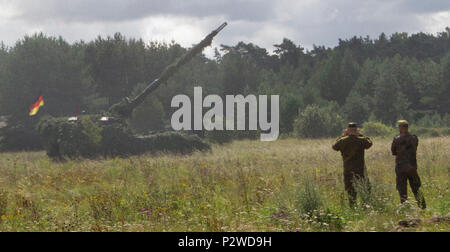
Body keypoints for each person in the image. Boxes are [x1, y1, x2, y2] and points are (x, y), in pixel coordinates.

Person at [333, 123, 373, 206]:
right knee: (364, 188)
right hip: (360, 169)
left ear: (348, 130)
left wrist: (343, 135)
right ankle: (365, 206)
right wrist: (360, 134)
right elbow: (369, 143)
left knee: (350, 190)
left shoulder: (343, 140)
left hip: (348, 169)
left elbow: (334, 146)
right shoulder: (361, 140)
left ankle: (352, 206)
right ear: (356, 130)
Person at [391, 120, 426, 209]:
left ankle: (405, 208)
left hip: (401, 167)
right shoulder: (414, 138)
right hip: (412, 167)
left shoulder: (397, 139)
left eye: (399, 127)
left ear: (401, 127)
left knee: (402, 189)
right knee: (416, 188)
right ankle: (422, 207)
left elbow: (393, 152)